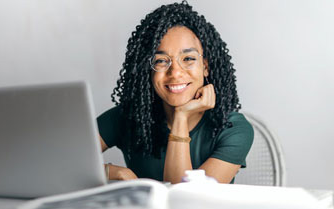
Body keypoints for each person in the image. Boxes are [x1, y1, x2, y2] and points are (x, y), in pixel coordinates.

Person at [97, 1, 254, 184]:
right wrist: (113, 172)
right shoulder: (128, 117)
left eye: (188, 58)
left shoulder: (233, 129)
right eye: (161, 61)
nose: (176, 72)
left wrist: (181, 116)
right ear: (147, 70)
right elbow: (60, 161)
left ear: (205, 67)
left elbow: (186, 201)